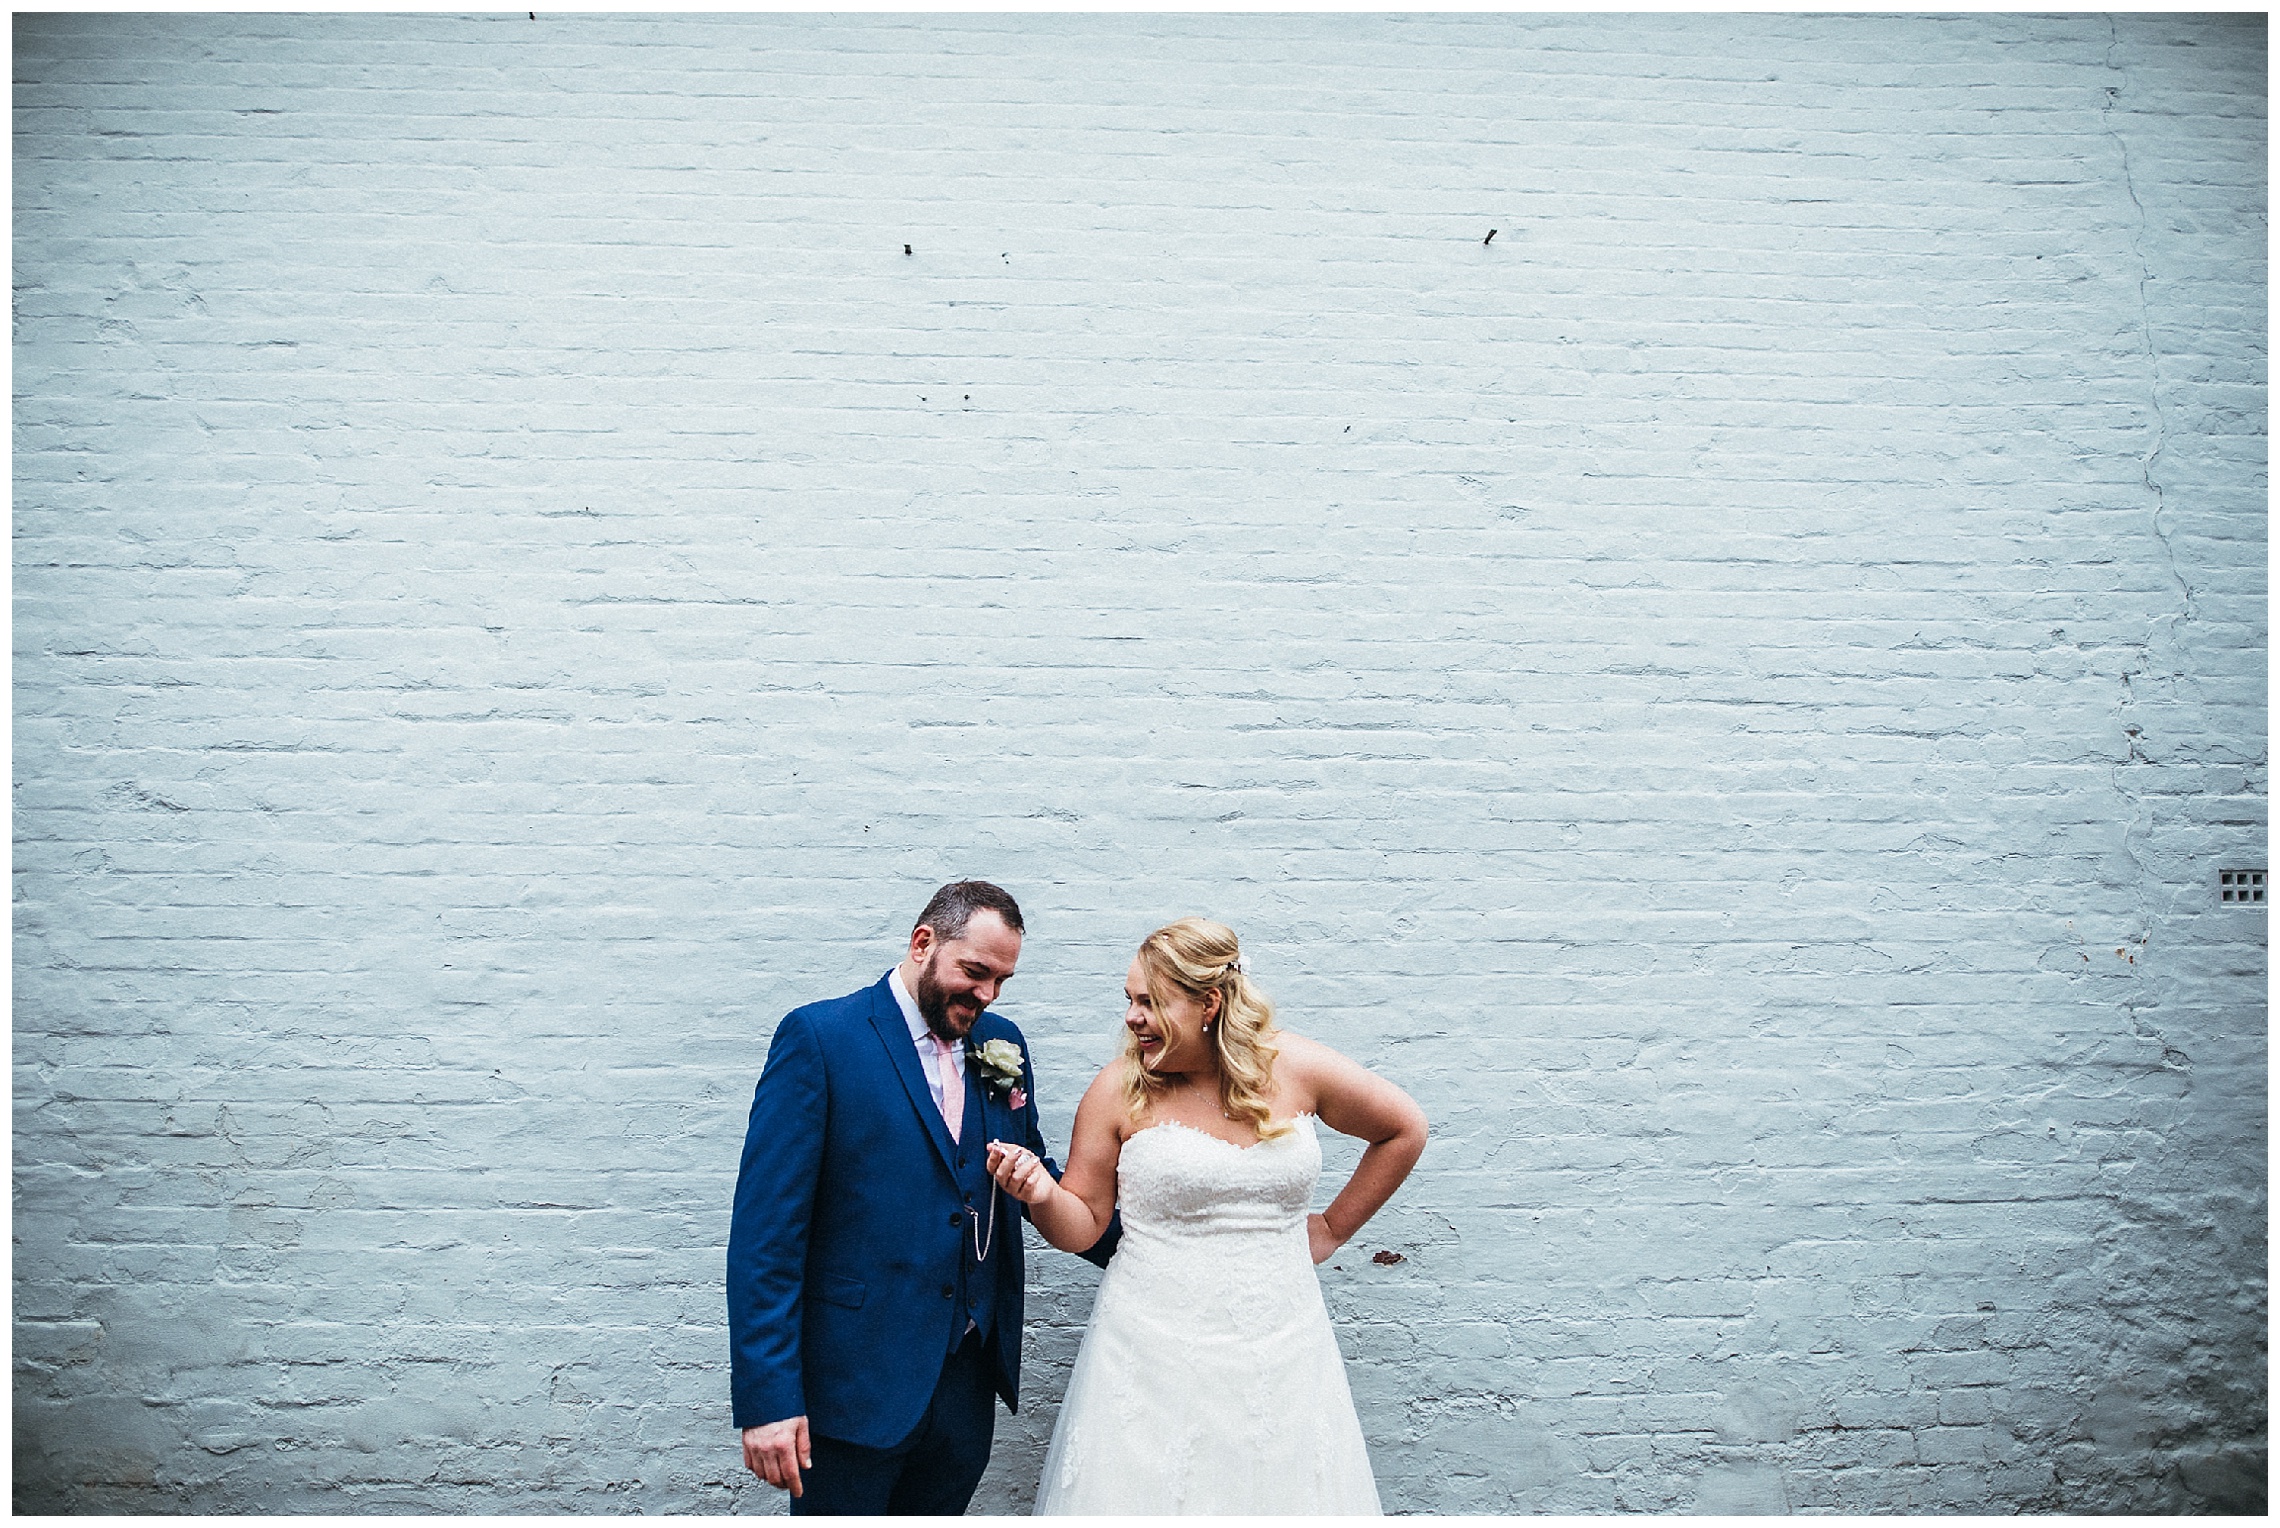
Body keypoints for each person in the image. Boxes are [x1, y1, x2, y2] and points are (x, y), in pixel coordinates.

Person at [987, 916, 1428, 1515]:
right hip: (1150, 1350)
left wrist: (1331, 1228)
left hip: (1281, 1340)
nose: (1132, 1017)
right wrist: (1040, 1194)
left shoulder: (1296, 1067)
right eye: (1129, 1000)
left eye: (1150, 1002)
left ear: (1209, 1003)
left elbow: (1404, 1128)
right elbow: (1083, 1227)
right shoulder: (1118, 1090)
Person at [727, 880, 1116, 1515]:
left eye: (1002, 981)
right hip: (853, 1393)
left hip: (963, 1393)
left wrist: (1154, 1247)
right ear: (922, 943)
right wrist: (770, 1401)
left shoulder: (1004, 1044)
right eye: (975, 972)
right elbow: (766, 1238)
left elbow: (1033, 1177)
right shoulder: (820, 1040)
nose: (987, 995)